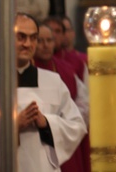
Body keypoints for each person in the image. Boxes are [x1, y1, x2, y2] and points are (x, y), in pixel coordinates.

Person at [0, 13, 86, 171]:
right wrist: (11, 126)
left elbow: (77, 126)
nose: (28, 44)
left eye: (33, 38)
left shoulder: (53, 81)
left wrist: (46, 123)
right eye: (21, 37)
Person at [34, 23, 90, 172]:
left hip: (64, 139)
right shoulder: (24, 72)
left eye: (49, 40)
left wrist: (63, 126)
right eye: (40, 41)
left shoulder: (66, 69)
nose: (45, 45)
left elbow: (83, 104)